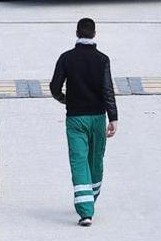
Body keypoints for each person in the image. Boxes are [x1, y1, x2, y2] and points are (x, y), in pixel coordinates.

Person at [50, 17, 118, 227]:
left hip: (75, 119)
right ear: (95, 34)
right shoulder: (102, 59)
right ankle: (91, 198)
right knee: (95, 160)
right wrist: (113, 117)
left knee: (78, 160)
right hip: (98, 118)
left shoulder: (66, 58)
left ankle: (85, 211)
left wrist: (65, 99)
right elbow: (107, 90)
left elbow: (54, 87)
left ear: (76, 33)